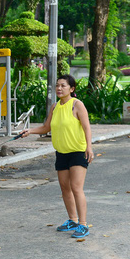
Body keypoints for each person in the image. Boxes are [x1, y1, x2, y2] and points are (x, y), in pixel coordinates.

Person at [21, 74, 93, 239]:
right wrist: (30, 131)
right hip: (61, 153)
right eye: (57, 85)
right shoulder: (54, 107)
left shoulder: (77, 105)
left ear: (71, 89)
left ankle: (83, 225)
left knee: (76, 188)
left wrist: (89, 147)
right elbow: (47, 127)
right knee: (65, 188)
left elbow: (87, 127)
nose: (59, 88)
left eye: (63, 86)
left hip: (78, 152)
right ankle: (72, 220)